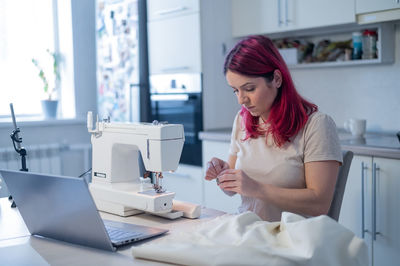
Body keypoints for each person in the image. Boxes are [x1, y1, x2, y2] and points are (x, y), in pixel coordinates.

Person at [204, 35, 343, 222]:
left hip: (295, 237)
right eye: (236, 90)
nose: (241, 100)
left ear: (276, 79)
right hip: (251, 231)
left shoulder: (316, 125)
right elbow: (232, 190)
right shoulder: (242, 119)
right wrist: (222, 175)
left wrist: (257, 188)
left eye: (250, 88)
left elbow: (320, 204)